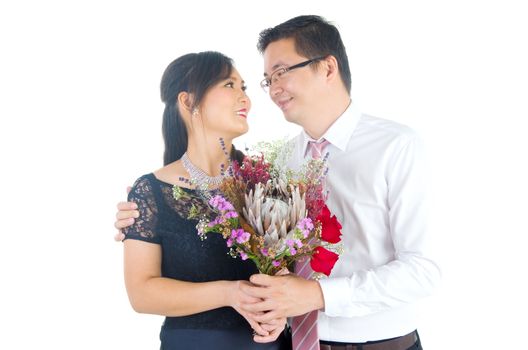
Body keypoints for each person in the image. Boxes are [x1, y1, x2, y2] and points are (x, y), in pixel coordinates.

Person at [116, 16, 441, 350]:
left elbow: (424, 269)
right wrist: (146, 214)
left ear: (328, 68)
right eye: (267, 79)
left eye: (282, 72)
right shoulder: (281, 164)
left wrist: (316, 295)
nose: (271, 90)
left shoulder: (396, 146)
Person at [119, 51, 287, 350]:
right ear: (188, 101)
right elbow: (142, 294)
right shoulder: (151, 191)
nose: (244, 99)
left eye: (244, 87)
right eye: (229, 85)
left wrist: (280, 309)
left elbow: (287, 272)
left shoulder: (265, 183)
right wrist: (229, 293)